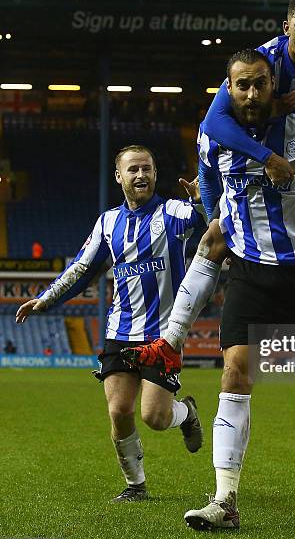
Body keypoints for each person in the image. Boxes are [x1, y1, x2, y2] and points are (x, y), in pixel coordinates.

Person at [123, 50, 295, 528]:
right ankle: (224, 499)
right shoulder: (212, 137)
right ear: (229, 89)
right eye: (243, 86)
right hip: (250, 271)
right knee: (235, 375)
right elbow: (210, 184)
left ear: (272, 85)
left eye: (260, 84)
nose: (252, 94)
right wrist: (217, 217)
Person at [153, 0, 295, 358]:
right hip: (262, 159)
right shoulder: (261, 61)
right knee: (216, 233)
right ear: (287, 29)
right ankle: (170, 342)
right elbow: (215, 121)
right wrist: (267, 156)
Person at [15, 145, 205, 502]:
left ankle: (187, 412)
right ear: (119, 176)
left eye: (147, 168)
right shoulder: (108, 222)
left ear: (155, 173)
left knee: (155, 417)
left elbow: (205, 220)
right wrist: (46, 299)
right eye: (132, 170)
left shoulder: (172, 212)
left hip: (164, 334)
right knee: (119, 410)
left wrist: (201, 198)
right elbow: (83, 268)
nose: (141, 175)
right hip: (120, 330)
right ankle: (136, 485)